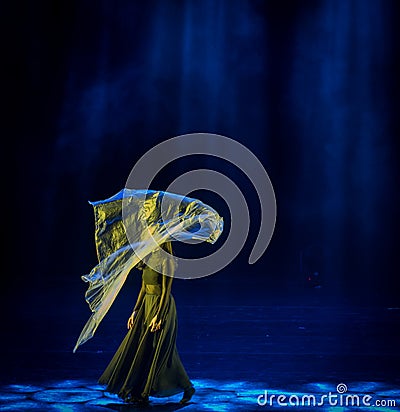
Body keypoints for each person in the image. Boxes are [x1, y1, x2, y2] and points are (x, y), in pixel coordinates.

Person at [98, 241, 195, 405]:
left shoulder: (167, 261)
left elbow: (166, 291)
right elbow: (143, 288)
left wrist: (159, 315)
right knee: (142, 349)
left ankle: (186, 387)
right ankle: (139, 391)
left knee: (161, 350)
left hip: (161, 307)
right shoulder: (147, 258)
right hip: (146, 307)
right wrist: (135, 311)